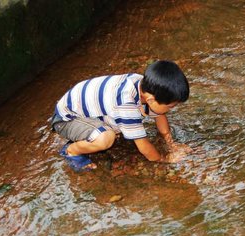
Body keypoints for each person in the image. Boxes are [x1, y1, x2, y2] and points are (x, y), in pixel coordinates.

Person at [51, 60, 191, 171]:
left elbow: (159, 114)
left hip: (89, 111)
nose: (172, 109)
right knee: (106, 138)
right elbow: (143, 147)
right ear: (150, 100)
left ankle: (91, 133)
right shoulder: (126, 104)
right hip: (66, 119)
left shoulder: (143, 84)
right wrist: (164, 159)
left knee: (124, 127)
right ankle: (72, 150)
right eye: (171, 106)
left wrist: (171, 144)